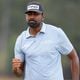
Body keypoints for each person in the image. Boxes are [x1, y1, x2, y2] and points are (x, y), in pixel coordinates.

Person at [12, 1, 79, 80]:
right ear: (26, 16)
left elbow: (73, 57)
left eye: (36, 14)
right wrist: (15, 69)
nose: (32, 17)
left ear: (42, 16)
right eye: (29, 14)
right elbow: (19, 73)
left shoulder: (56, 33)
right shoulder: (21, 39)